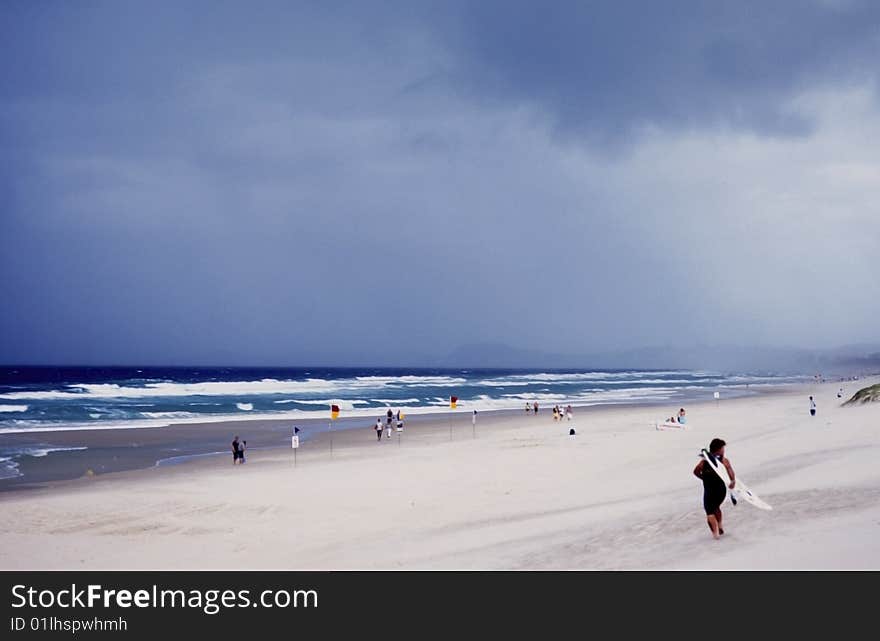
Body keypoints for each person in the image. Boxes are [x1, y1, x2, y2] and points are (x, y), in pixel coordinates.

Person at [693, 438, 736, 540]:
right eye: (722, 448)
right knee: (716, 507)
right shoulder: (724, 461)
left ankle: (715, 536)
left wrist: (704, 478)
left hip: (709, 491)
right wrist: (732, 482)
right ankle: (720, 526)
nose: (723, 450)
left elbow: (695, 472)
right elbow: (730, 472)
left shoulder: (704, 462)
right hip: (721, 491)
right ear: (718, 449)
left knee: (709, 513)